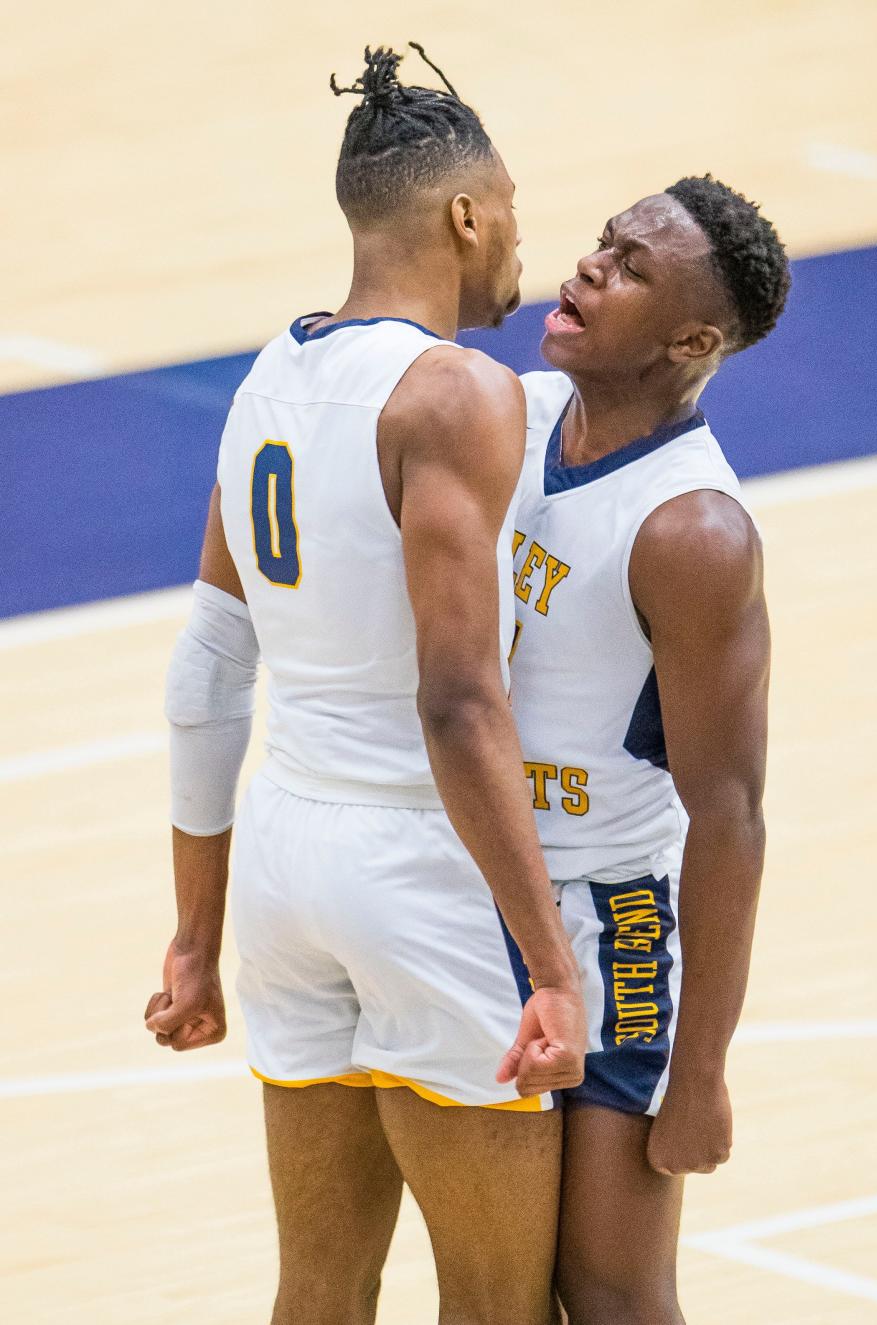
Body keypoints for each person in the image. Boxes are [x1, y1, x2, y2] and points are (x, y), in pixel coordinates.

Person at [144, 44, 586, 1325]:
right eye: (509, 209)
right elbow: (458, 701)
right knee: (498, 1303)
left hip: (285, 862)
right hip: (425, 869)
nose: (519, 242)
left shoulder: (265, 378)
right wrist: (551, 963)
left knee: (319, 1291)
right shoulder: (457, 394)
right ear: (463, 213)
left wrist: (194, 930)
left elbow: (207, 671)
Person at [508, 175, 790, 1323]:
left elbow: (730, 813)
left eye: (626, 267)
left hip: (600, 913)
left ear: (690, 339)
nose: (586, 269)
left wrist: (704, 1069)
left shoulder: (692, 530)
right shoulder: (509, 415)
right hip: (456, 885)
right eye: (599, 245)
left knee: (609, 1286)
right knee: (496, 1285)